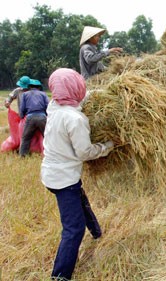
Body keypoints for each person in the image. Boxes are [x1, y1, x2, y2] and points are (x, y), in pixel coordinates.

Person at [41, 68, 114, 280]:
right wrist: (107, 146)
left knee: (79, 197)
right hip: (63, 179)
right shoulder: (76, 119)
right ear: (76, 88)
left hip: (51, 172)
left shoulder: (53, 107)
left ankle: (97, 232)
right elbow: (85, 152)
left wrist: (101, 91)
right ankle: (60, 276)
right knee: (73, 229)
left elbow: (77, 99)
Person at [19, 79, 49, 157]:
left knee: (26, 138)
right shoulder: (43, 94)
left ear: (29, 87)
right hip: (42, 117)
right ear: (39, 87)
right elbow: (48, 106)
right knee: (47, 137)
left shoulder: (25, 95)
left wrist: (22, 116)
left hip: (30, 118)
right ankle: (50, 154)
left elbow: (22, 108)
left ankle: (23, 156)